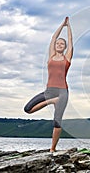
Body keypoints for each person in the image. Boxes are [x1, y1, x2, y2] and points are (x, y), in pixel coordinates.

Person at [24, 17, 73, 152]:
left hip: (62, 92)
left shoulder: (67, 58)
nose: (59, 45)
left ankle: (52, 149)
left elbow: (71, 41)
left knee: (57, 121)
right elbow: (53, 38)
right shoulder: (51, 56)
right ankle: (51, 101)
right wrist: (62, 24)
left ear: (65, 48)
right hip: (50, 92)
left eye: (62, 44)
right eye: (58, 43)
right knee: (28, 109)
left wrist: (68, 28)